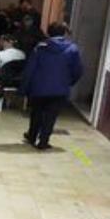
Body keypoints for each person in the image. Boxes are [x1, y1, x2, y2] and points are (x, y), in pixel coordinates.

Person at [21, 21, 83, 150]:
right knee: (51, 116)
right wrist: (69, 82)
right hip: (60, 89)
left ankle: (32, 136)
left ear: (48, 32)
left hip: (38, 87)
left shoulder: (40, 47)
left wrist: (25, 87)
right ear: (64, 33)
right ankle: (43, 141)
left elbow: (30, 69)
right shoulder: (72, 49)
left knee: (36, 113)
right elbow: (78, 70)